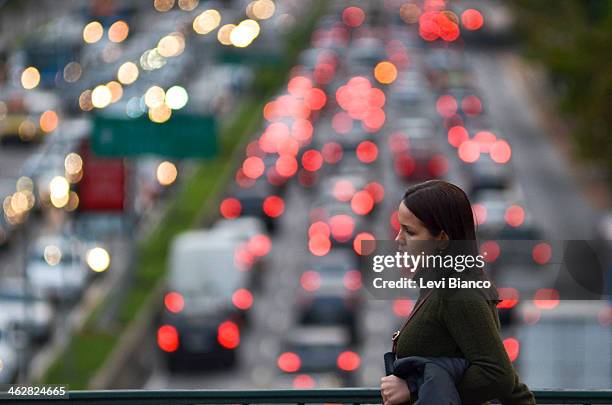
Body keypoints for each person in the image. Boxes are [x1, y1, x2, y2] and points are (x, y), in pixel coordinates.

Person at [380, 180, 536, 405]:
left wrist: (414, 389)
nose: (398, 240)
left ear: (442, 239)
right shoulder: (441, 286)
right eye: (400, 229)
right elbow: (506, 381)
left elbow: (497, 375)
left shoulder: (458, 293)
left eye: (410, 231)